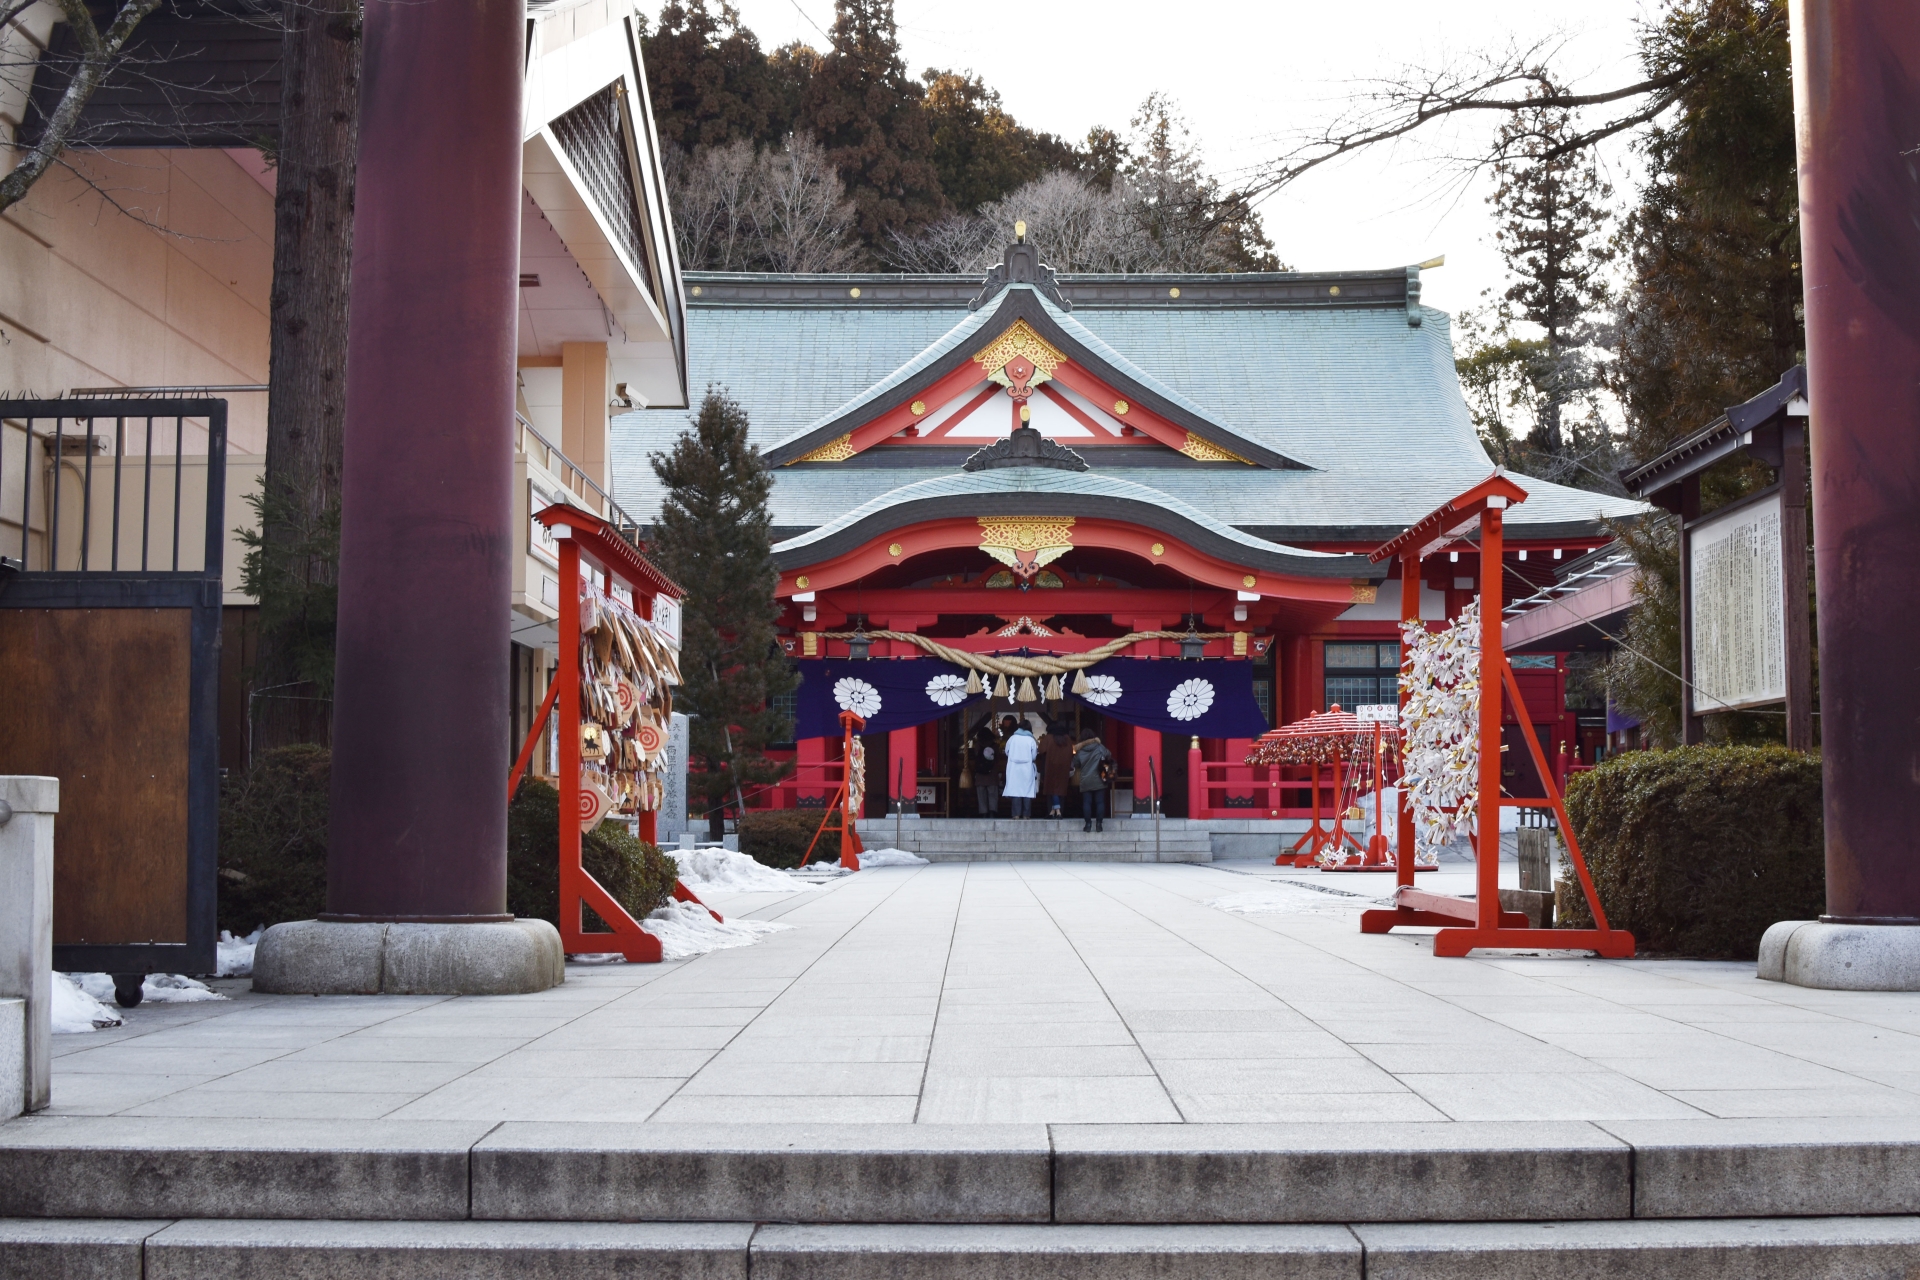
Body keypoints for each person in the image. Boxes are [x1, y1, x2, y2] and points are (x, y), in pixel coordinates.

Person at [1072, 734, 1116, 832]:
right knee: (1100, 802)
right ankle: (1099, 824)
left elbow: (1076, 763)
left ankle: (1088, 824)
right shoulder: (1100, 747)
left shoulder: (1080, 751)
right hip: (1100, 779)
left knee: (1087, 802)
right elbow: (1108, 754)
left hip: (1085, 780)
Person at [966, 718, 1003, 818]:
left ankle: (983, 813)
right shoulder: (995, 746)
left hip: (980, 774)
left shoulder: (977, 745)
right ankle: (992, 812)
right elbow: (997, 759)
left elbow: (976, 757)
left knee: (981, 795)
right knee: (992, 794)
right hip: (992, 774)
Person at [1038, 721, 1076, 819]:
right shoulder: (1067, 739)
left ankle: (1051, 812)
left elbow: (1041, 749)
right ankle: (1060, 811)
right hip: (1064, 768)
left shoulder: (1048, 738)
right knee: (1061, 791)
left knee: (1051, 790)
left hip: (1050, 766)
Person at [1003, 722, 1039, 819]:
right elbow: (1034, 755)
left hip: (1013, 768)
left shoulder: (1012, 739)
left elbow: (1006, 751)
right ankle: (1026, 815)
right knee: (1027, 791)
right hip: (1027, 768)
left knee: (1016, 791)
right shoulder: (1031, 740)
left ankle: (1016, 814)